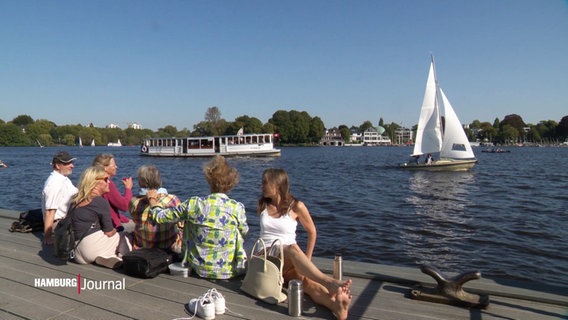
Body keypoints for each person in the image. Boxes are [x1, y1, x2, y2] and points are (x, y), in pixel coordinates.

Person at [257, 168, 352, 320]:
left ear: (277, 184)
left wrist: (306, 260)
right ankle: (329, 282)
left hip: (290, 260)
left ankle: (337, 307)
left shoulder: (296, 206)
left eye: (264, 182)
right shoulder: (263, 204)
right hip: (266, 257)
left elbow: (312, 232)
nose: (261, 185)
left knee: (309, 284)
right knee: (293, 248)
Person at [147, 155, 248, 280]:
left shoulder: (194, 204)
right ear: (231, 183)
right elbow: (244, 232)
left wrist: (152, 200)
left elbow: (160, 217)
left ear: (208, 179)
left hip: (198, 268)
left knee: (188, 221)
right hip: (228, 271)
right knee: (237, 230)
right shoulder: (237, 208)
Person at [70, 165, 131, 269]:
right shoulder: (99, 201)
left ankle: (104, 256)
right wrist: (116, 230)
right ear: (95, 183)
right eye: (106, 179)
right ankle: (121, 258)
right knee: (124, 236)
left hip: (76, 252)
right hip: (91, 247)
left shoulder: (75, 200)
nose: (109, 182)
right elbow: (108, 232)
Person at [129, 165, 183, 257]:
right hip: (168, 246)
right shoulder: (172, 199)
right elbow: (181, 223)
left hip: (143, 247)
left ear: (141, 182)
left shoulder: (134, 202)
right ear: (159, 179)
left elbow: (134, 219)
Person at [41, 151, 78, 245]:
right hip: (58, 225)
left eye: (71, 163)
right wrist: (48, 237)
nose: (72, 166)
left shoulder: (63, 179)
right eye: (67, 163)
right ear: (58, 166)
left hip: (66, 220)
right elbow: (49, 212)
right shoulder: (54, 183)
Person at [92, 154, 135, 233]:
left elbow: (110, 207)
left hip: (102, 224)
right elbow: (124, 206)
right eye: (114, 165)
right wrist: (128, 189)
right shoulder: (108, 184)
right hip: (112, 227)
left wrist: (121, 217)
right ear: (105, 168)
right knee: (138, 227)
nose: (116, 167)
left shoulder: (94, 180)